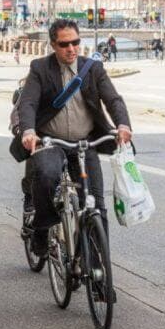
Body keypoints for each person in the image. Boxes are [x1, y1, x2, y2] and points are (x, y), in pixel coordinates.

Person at [17, 19, 132, 257]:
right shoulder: (40, 68)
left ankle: (98, 275)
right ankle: (42, 228)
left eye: (75, 42)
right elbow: (28, 102)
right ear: (52, 45)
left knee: (96, 207)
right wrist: (29, 131)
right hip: (51, 141)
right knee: (47, 177)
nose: (71, 48)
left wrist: (122, 124)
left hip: (84, 142)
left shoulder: (93, 68)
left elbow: (113, 99)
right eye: (64, 44)